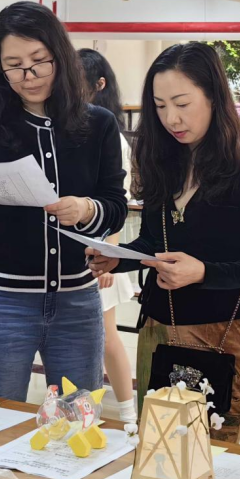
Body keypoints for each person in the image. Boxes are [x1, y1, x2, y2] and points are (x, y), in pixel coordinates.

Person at [87, 42, 240, 441]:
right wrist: (117, 259)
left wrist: (203, 272)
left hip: (221, 329)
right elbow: (152, 243)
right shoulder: (163, 160)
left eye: (182, 103)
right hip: (159, 326)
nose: (171, 118)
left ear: (213, 96)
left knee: (212, 448)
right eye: (160, 106)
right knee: (157, 447)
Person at [0, 1, 127, 402]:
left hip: (77, 300)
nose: (29, 76)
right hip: (0, 302)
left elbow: (115, 206)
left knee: (78, 418)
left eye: (40, 61)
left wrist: (86, 209)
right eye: (14, 66)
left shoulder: (98, 124)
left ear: (60, 55)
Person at [79, 47, 136, 423]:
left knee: (105, 336)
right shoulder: (76, 128)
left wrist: (109, 255)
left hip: (101, 254)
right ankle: (90, 410)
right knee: (95, 337)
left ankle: (128, 414)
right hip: (86, 253)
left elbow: (119, 202)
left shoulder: (109, 132)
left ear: (99, 85)